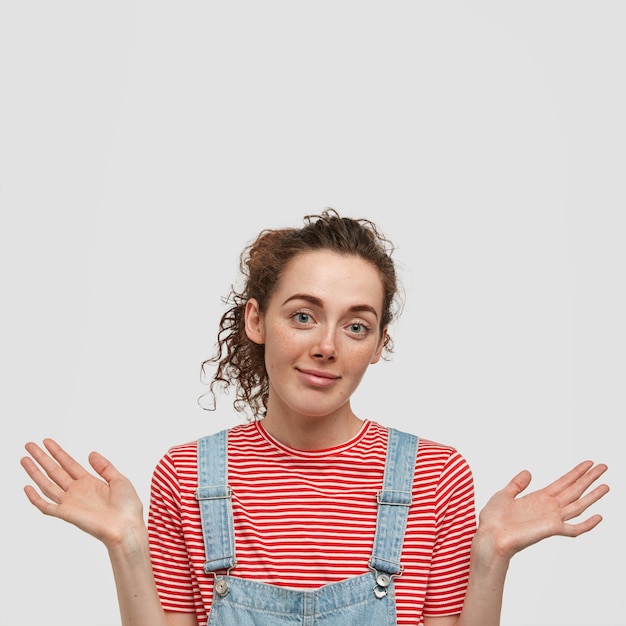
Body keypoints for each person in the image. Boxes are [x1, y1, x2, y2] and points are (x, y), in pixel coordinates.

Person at [21, 209, 609, 626]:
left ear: (378, 344)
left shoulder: (435, 475)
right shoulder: (187, 475)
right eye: (303, 316)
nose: (328, 345)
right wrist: (126, 544)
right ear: (257, 320)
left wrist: (492, 557)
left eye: (356, 325)